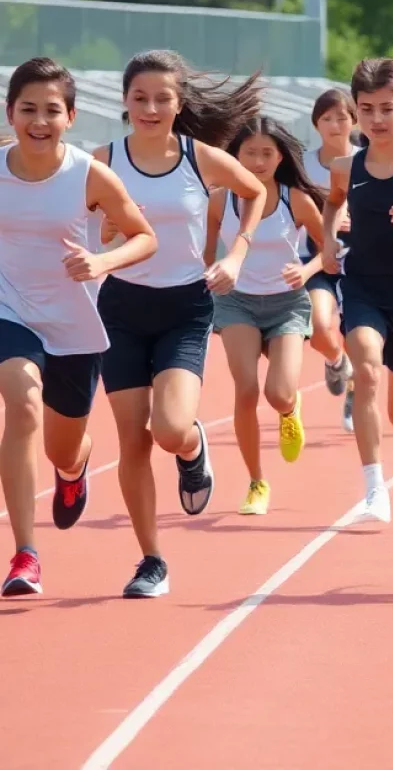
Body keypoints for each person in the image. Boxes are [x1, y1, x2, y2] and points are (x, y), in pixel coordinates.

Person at [95, 50, 267, 598]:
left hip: (184, 309)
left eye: (162, 98)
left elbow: (256, 191)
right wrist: (102, 233)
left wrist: (237, 252)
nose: (151, 108)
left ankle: (192, 450)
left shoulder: (200, 158)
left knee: (168, 429)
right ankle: (151, 560)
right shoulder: (103, 161)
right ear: (125, 102)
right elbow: (83, 217)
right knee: (131, 441)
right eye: (140, 98)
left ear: (179, 103)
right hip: (121, 309)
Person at [0, 58, 157, 597]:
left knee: (61, 448)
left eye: (51, 110)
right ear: (10, 112)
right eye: (28, 109)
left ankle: (75, 466)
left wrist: (101, 262)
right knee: (21, 404)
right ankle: (26, 554)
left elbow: (144, 237)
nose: (39, 121)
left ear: (70, 116)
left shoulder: (88, 175)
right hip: (9, 312)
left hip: (73, 325)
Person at [321, 58, 393, 526]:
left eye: (386, 108)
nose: (376, 119)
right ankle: (375, 488)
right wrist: (331, 237)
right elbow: (332, 207)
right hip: (363, 285)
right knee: (366, 370)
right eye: (366, 109)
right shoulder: (345, 167)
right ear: (355, 110)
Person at [206, 118, 327, 516]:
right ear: (235, 156)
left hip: (287, 304)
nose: (257, 162)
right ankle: (257, 481)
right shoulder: (221, 200)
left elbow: (331, 251)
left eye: (267, 154)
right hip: (236, 301)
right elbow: (207, 253)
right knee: (245, 390)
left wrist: (306, 272)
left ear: (280, 157)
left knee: (279, 392)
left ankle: (290, 410)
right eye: (249, 153)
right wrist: (210, 276)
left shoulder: (297, 200)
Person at [303, 88, 357, 429]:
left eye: (342, 117)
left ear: (354, 121)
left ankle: (355, 394)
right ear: (316, 124)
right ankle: (337, 361)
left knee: (356, 335)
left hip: (362, 260)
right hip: (318, 256)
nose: (335, 125)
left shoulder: (367, 160)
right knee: (321, 328)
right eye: (327, 118)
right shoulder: (302, 164)